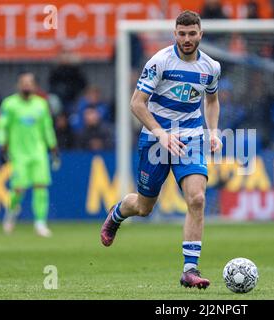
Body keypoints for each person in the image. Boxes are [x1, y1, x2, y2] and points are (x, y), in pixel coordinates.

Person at [100, 11, 222, 289]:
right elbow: (136, 103)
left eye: (192, 34)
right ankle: (117, 213)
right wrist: (161, 134)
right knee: (144, 207)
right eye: (182, 33)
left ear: (200, 34)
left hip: (190, 139)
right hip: (156, 140)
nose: (187, 39)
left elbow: (212, 102)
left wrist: (213, 132)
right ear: (175, 33)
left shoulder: (211, 67)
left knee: (197, 199)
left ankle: (190, 270)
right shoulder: (160, 62)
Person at [0, 72, 60, 237]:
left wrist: (52, 146)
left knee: (41, 186)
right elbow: (2, 126)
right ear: (18, 85)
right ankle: (10, 213)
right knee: (18, 188)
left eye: (29, 82)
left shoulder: (40, 104)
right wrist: (2, 143)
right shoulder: (9, 104)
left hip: (38, 152)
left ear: (34, 86)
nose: (26, 85)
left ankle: (40, 223)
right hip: (18, 153)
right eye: (23, 82)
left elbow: (47, 127)